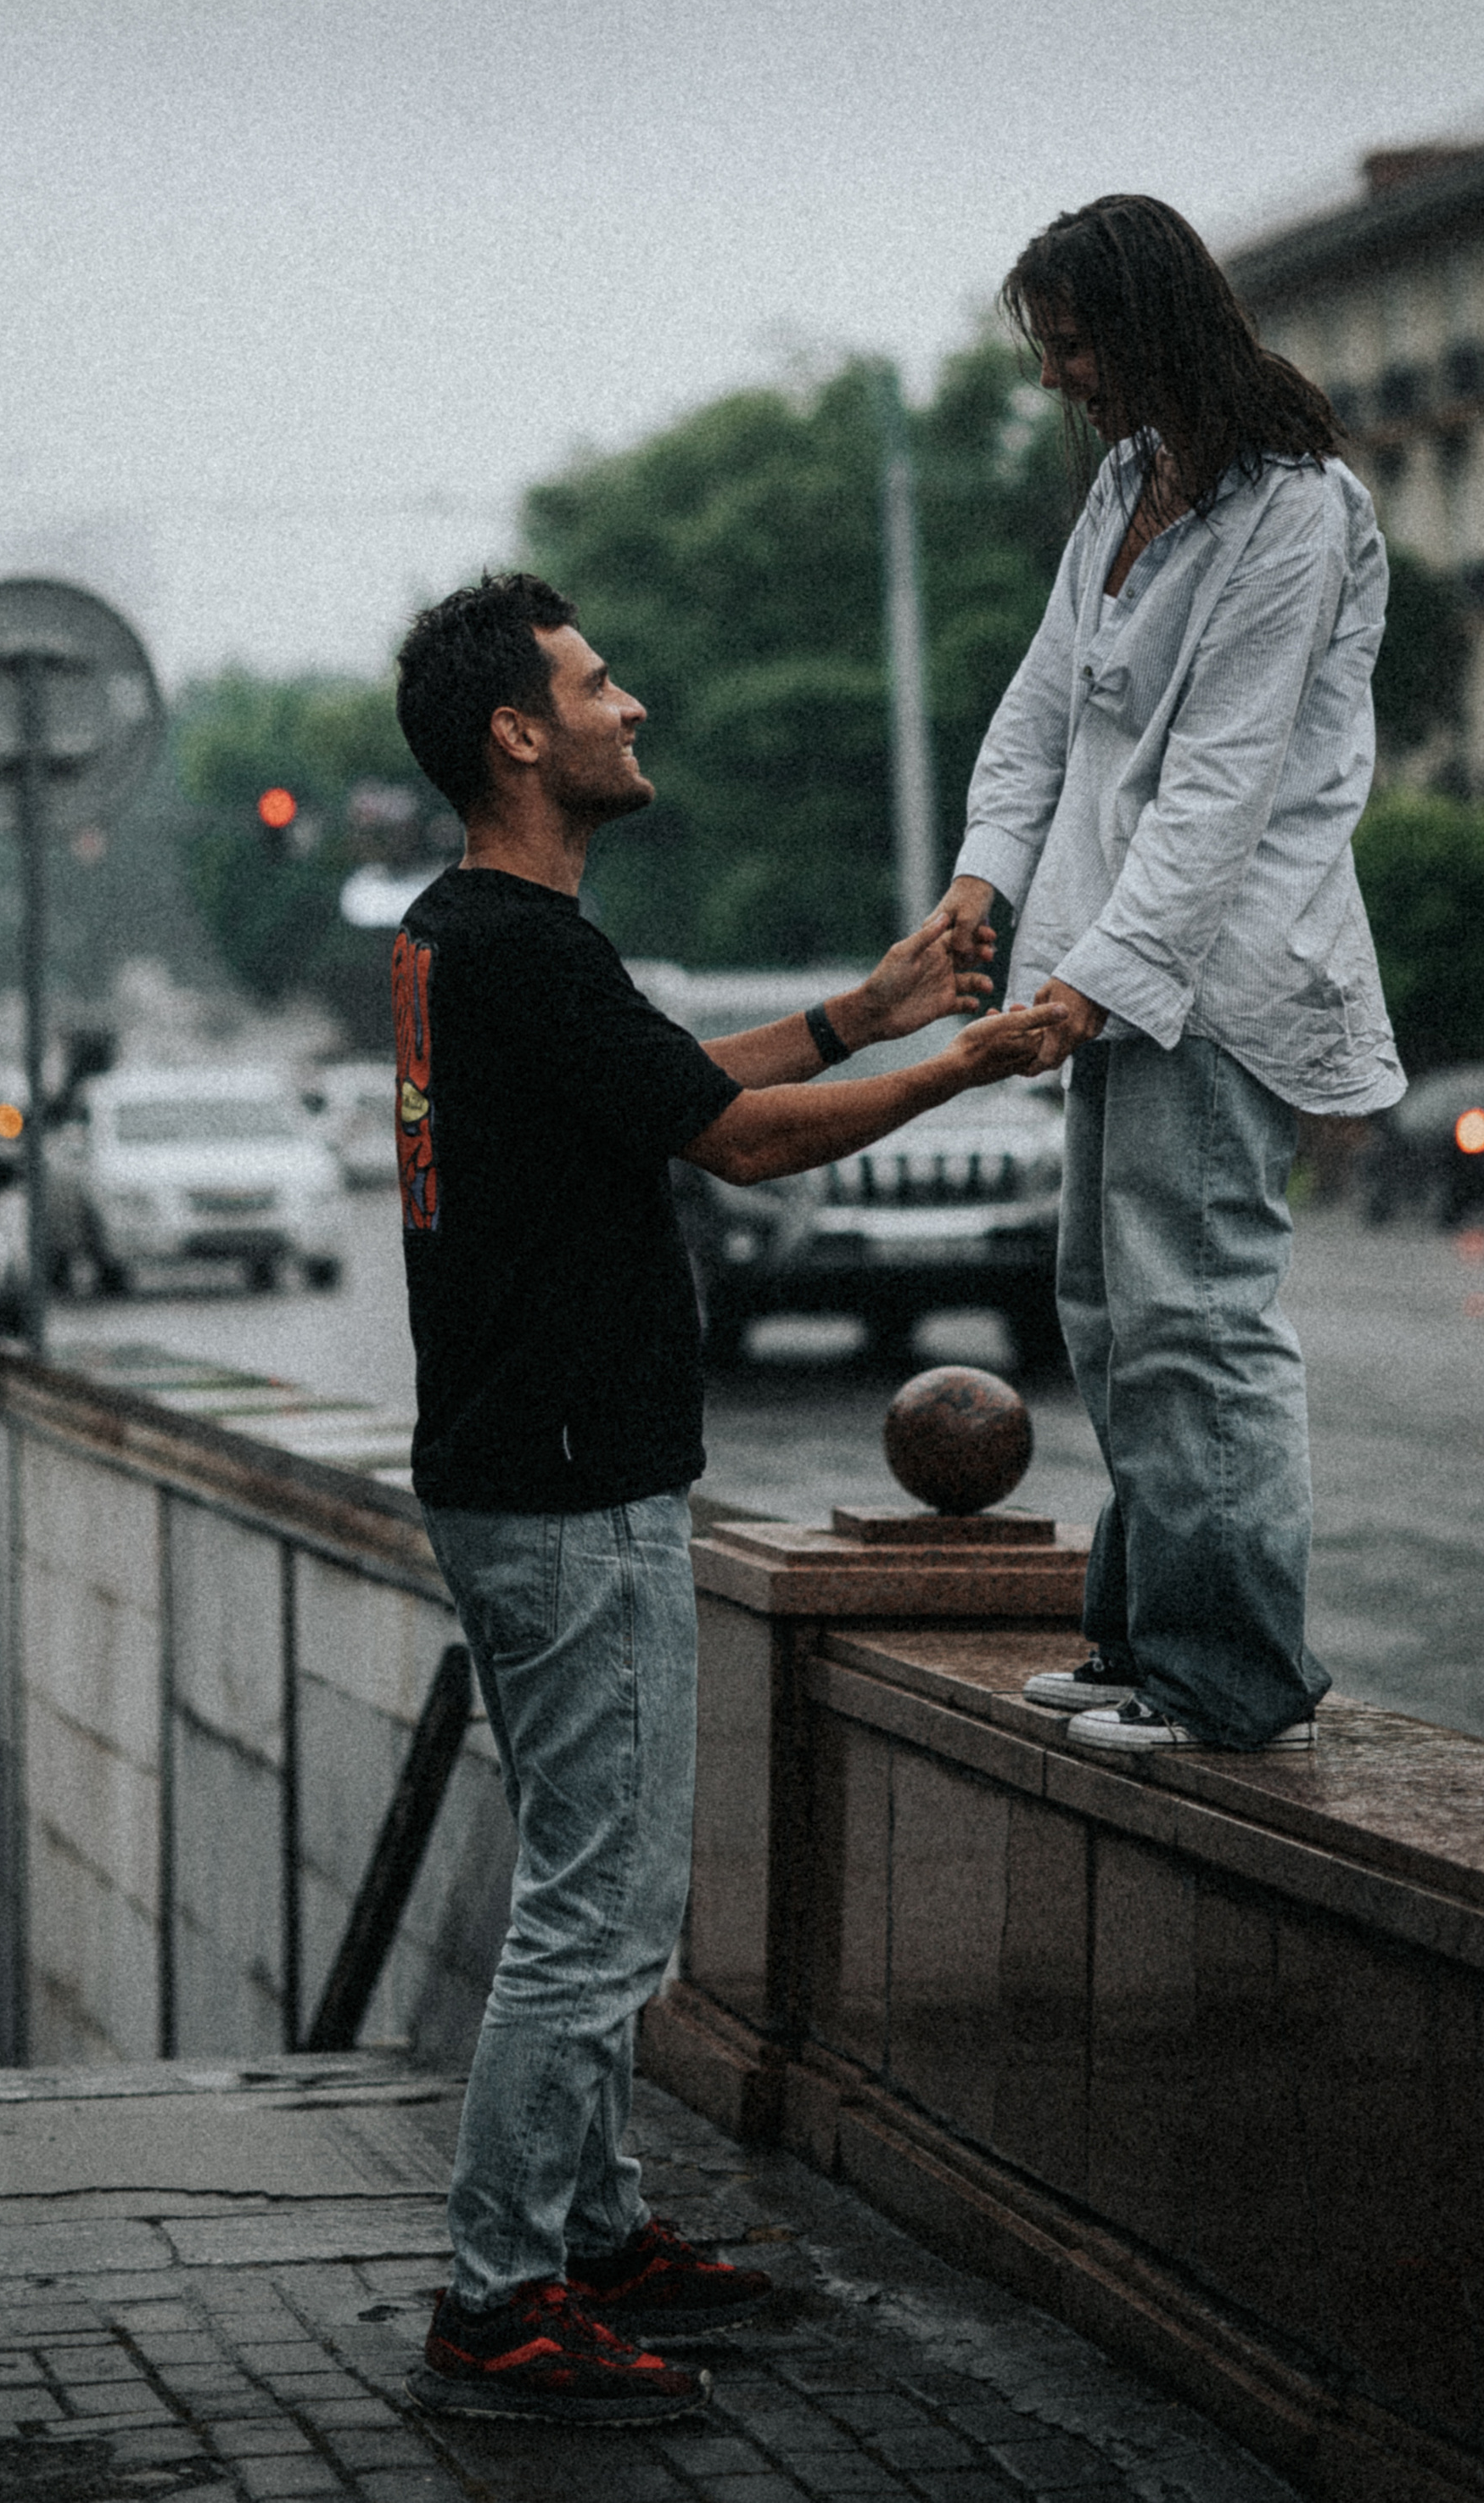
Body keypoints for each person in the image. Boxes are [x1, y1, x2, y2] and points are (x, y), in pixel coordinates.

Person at [389, 570, 1054, 2426]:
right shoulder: (521, 947)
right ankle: (499, 2297)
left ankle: (595, 2235)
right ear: (519, 735)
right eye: (598, 684)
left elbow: (674, 1087)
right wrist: (961, 1061)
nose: (633, 707)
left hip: (521, 1469)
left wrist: (868, 1011)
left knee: (588, 1881)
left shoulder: (473, 935)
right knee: (599, 1912)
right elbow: (739, 1145)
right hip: (568, 1482)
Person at [933, 194, 1406, 1757]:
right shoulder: (1130, 483)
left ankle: (1229, 1681)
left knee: (1197, 1318)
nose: (1056, 377)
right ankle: (1144, 1637)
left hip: (1223, 973)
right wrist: (981, 885)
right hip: (1117, 966)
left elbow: (1222, 780)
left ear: (1150, 329)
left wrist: (1097, 978)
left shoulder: (1298, 511)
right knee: (1110, 1315)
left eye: (1073, 345)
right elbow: (1042, 711)